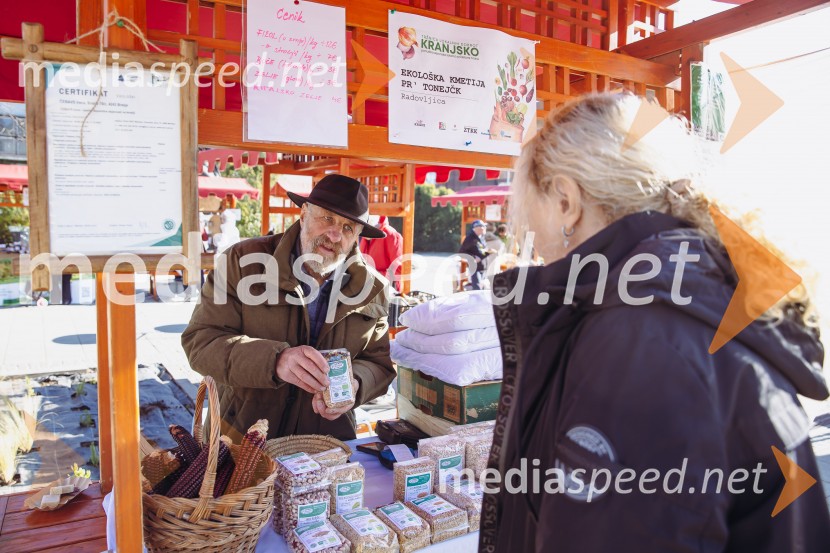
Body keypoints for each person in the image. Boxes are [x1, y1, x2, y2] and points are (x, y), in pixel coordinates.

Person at [480, 93, 830, 552]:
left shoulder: (641, 339)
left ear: (566, 201)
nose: (532, 239)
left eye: (530, 214)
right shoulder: (686, 296)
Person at [181, 174, 395, 442]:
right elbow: (200, 344)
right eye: (327, 218)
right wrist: (275, 361)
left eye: (349, 227)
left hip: (326, 444)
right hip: (241, 439)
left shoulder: (373, 288)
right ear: (304, 213)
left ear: (358, 237)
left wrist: (356, 384)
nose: (335, 234)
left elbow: (379, 364)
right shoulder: (242, 262)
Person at [359, 215, 403, 292]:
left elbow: (399, 270)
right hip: (368, 291)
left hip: (388, 292)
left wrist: (373, 277)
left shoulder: (392, 236)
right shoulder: (365, 236)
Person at [459, 219, 494, 290]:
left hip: (483, 268)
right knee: (477, 289)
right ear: (477, 228)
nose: (485, 228)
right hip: (475, 269)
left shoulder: (481, 237)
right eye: (483, 226)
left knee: (483, 289)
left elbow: (481, 252)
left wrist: (488, 252)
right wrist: (473, 257)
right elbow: (461, 253)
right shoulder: (470, 239)